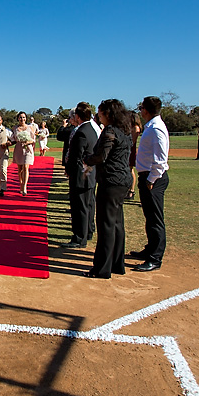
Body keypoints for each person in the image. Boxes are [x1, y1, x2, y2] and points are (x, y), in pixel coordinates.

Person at [82, 99, 133, 278]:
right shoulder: (124, 131)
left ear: (108, 114)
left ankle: (102, 268)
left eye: (101, 113)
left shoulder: (110, 131)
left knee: (106, 224)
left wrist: (87, 159)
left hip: (111, 181)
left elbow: (101, 156)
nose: (99, 116)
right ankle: (117, 264)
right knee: (117, 223)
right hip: (122, 180)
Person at [128, 96, 170, 272]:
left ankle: (155, 257)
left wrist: (151, 180)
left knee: (155, 219)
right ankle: (150, 249)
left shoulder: (156, 129)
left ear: (145, 110)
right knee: (149, 217)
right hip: (147, 177)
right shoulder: (151, 126)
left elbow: (160, 159)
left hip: (153, 179)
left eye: (141, 108)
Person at [63, 108, 98, 248]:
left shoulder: (82, 132)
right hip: (88, 175)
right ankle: (87, 232)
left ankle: (79, 238)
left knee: (79, 207)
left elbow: (76, 156)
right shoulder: (91, 129)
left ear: (77, 116)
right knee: (87, 206)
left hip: (81, 175)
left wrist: (70, 171)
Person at [12, 112, 37, 196]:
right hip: (19, 148)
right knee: (20, 168)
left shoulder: (30, 127)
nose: (22, 119)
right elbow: (13, 139)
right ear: (18, 118)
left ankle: (24, 186)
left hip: (28, 149)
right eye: (20, 117)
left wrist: (28, 142)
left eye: (24, 117)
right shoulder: (15, 128)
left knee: (26, 167)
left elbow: (33, 139)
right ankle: (21, 184)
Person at [126, 111, 142, 200]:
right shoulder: (130, 127)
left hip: (131, 150)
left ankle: (131, 190)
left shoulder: (136, 128)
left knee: (130, 170)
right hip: (128, 149)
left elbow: (133, 141)